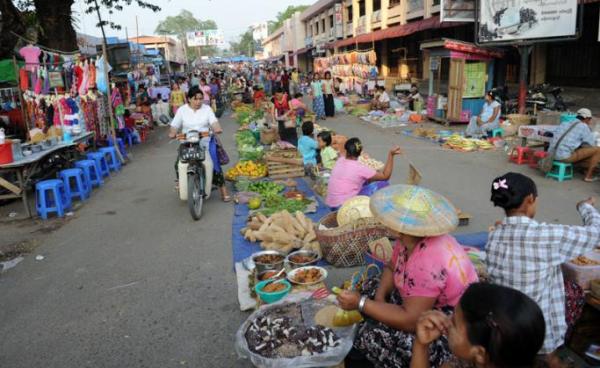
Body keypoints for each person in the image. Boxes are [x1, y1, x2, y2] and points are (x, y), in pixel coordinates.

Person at [338, 184, 479, 368]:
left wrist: (361, 304)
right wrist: (380, 298)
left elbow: (412, 320)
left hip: (450, 323)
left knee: (370, 336)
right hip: (421, 300)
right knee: (368, 286)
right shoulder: (408, 239)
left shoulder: (427, 260)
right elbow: (391, 266)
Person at [486, 172, 600, 359]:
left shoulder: (495, 235)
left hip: (505, 319)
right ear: (530, 199)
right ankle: (551, 356)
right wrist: (585, 207)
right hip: (536, 326)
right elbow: (595, 233)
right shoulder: (544, 235)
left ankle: (551, 358)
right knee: (573, 291)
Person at [411, 283, 546, 368]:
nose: (447, 319)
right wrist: (421, 345)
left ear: (480, 354)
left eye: (454, 322)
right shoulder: (468, 360)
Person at [168, 86, 231, 202]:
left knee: (214, 163)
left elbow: (214, 123)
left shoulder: (207, 109)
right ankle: (180, 181)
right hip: (187, 143)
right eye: (195, 99)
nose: (198, 102)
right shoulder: (182, 110)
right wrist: (172, 133)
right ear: (189, 99)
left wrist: (217, 128)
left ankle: (223, 191)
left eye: (201, 99)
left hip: (204, 142)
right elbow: (174, 125)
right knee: (178, 164)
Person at [325, 138, 402, 209]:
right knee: (383, 184)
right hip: (344, 207)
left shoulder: (340, 160)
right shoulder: (360, 168)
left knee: (365, 181)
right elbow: (385, 176)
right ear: (360, 153)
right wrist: (391, 155)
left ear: (346, 150)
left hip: (330, 203)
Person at [549, 108, 600, 182]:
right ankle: (588, 176)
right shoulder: (583, 126)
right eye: (590, 119)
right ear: (587, 118)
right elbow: (591, 144)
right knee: (598, 150)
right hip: (564, 157)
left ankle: (583, 168)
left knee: (579, 149)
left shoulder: (565, 123)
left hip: (551, 154)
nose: (589, 121)